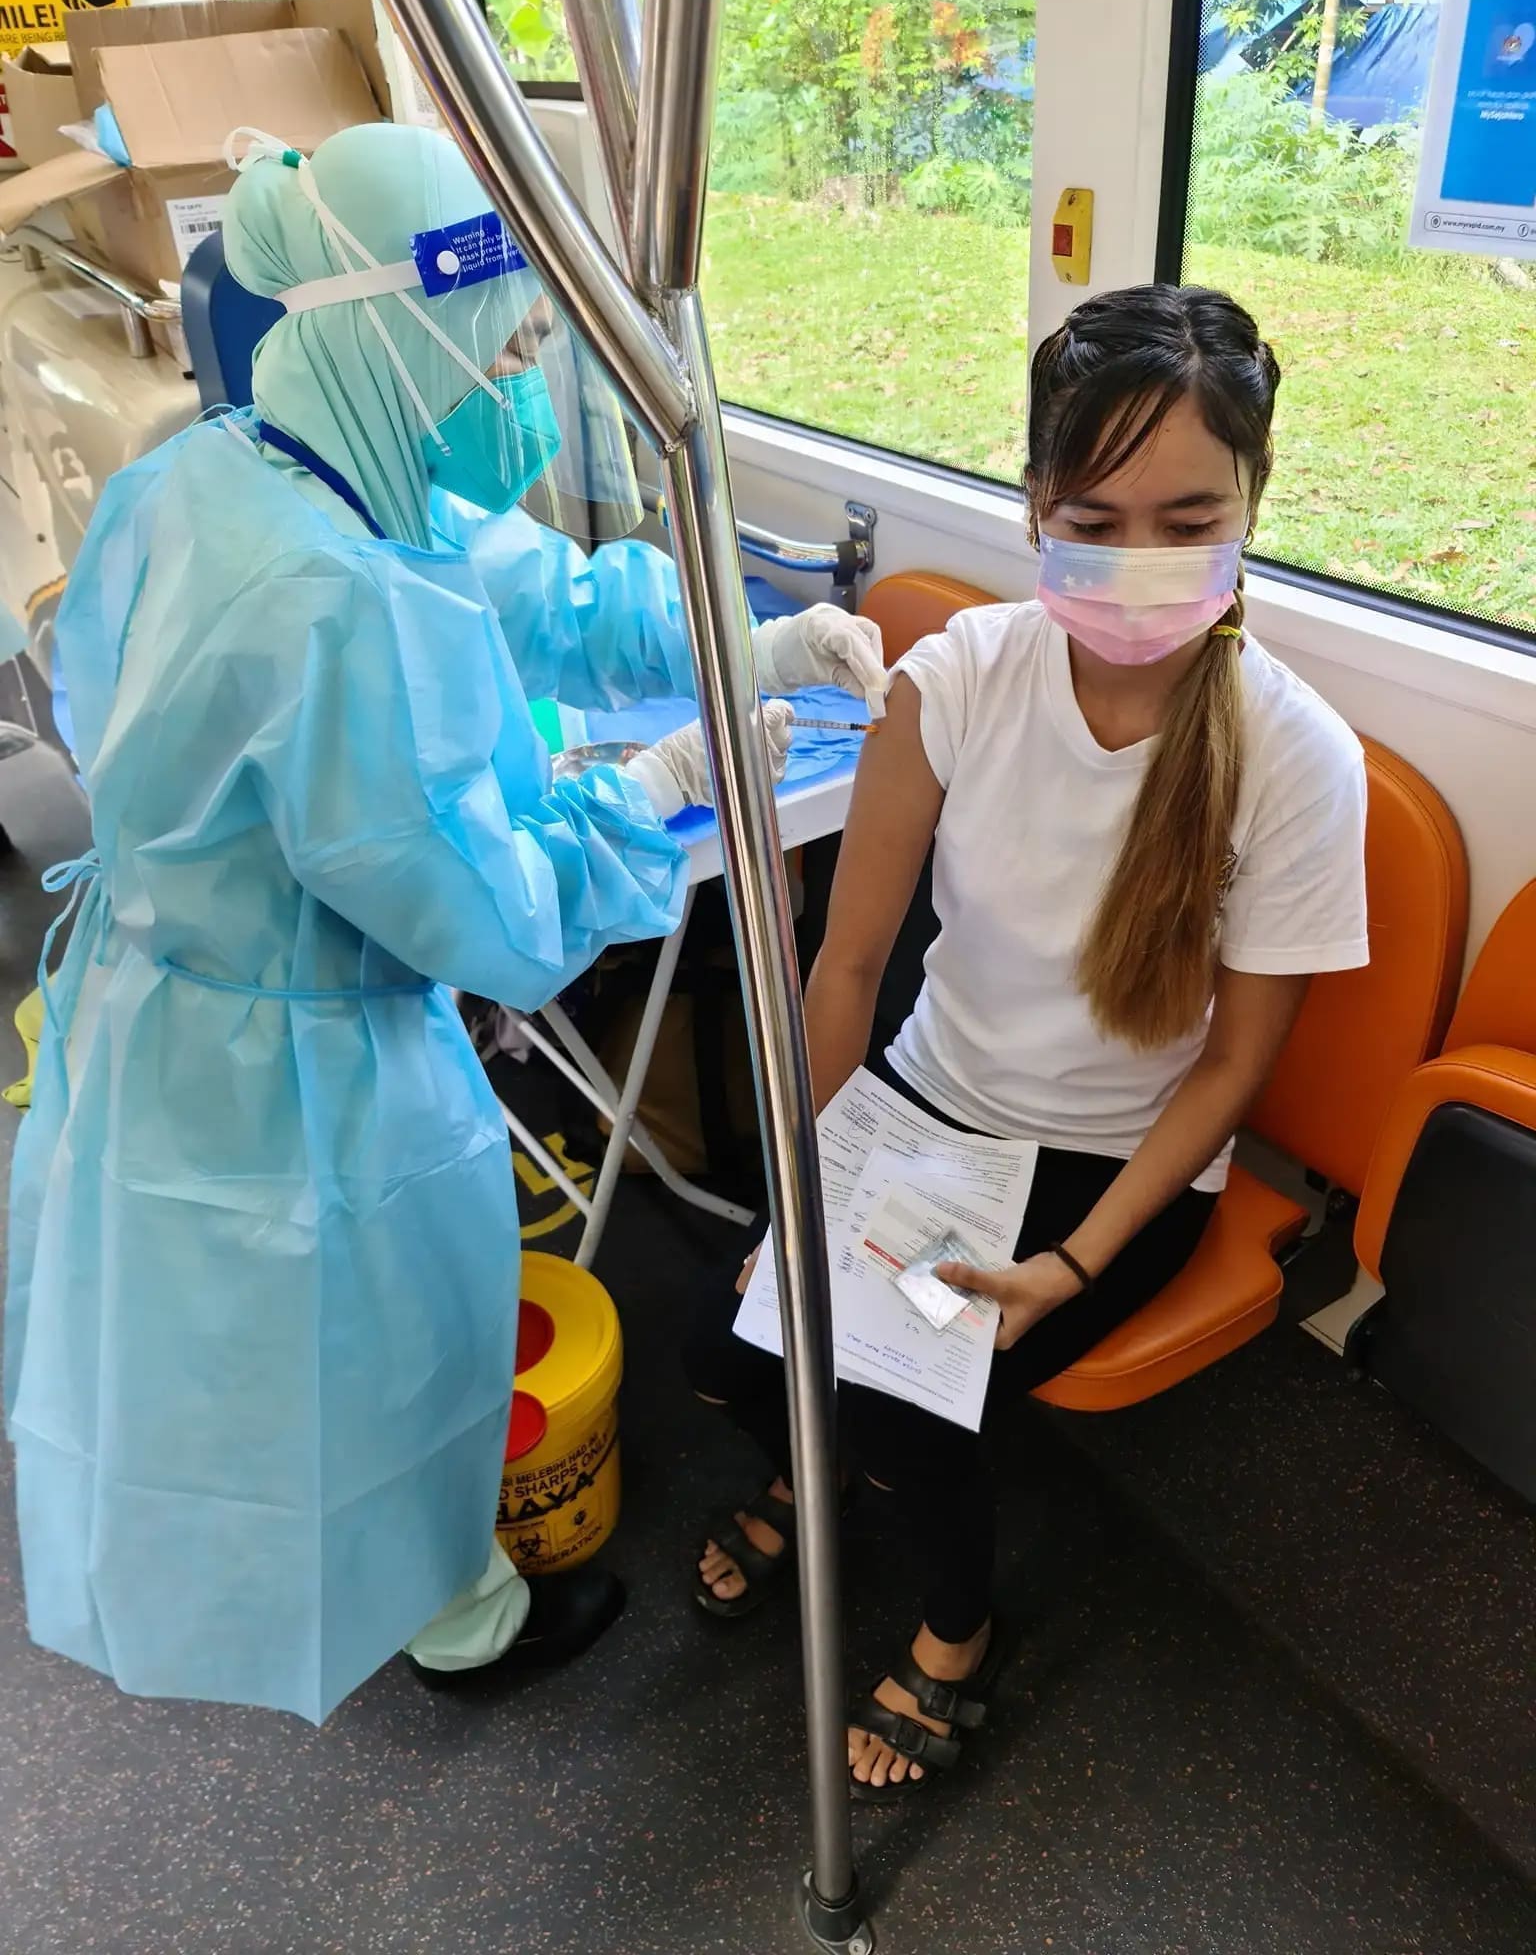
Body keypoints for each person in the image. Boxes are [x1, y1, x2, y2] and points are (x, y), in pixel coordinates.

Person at [1, 120, 886, 1724]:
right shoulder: (328, 597)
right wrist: (657, 788)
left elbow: (533, 590)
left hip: (170, 1003)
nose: (527, 375)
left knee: (260, 1356)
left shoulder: (248, 465)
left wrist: (748, 642)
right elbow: (501, 920)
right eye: (511, 343)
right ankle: (457, 1624)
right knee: (361, 1360)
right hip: (287, 1066)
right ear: (405, 330)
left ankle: (436, 1593)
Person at [685, 284, 1369, 1798]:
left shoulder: (1293, 758)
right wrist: (806, 1195)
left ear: (1253, 504)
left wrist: (1072, 1262)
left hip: (1110, 1162)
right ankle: (808, 1464)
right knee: (727, 1356)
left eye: (1189, 519)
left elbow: (1230, 1068)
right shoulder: (957, 680)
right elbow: (846, 966)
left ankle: (955, 1636)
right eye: (1095, 520)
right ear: (1035, 505)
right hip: (922, 1098)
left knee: (908, 1416)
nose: (1141, 562)